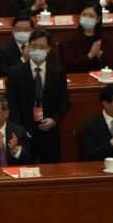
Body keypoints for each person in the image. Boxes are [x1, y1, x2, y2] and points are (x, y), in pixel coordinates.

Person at [6, 30, 70, 163]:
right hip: (25, 133)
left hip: (50, 132)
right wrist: (20, 130)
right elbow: (12, 104)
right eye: (34, 46)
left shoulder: (58, 72)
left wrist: (54, 120)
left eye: (42, 47)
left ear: (49, 49)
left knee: (52, 173)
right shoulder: (15, 73)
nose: (37, 50)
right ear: (28, 47)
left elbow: (64, 103)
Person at [59, 3, 111, 73]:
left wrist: (99, 56)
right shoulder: (71, 37)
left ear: (98, 19)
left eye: (91, 16)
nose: (87, 18)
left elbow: (110, 64)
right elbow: (68, 65)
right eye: (84, 15)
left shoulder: (104, 37)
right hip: (78, 77)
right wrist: (90, 55)